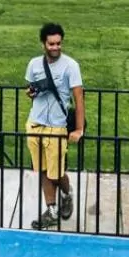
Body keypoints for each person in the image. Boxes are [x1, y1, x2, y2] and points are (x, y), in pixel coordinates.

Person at [24, 22, 85, 230]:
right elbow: (29, 89)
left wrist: (78, 129)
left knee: (56, 173)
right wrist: (31, 91)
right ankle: (51, 211)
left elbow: (78, 98)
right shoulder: (34, 64)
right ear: (44, 44)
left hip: (57, 127)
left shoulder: (71, 66)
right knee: (42, 170)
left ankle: (68, 194)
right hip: (35, 123)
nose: (55, 47)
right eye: (51, 44)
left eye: (58, 43)